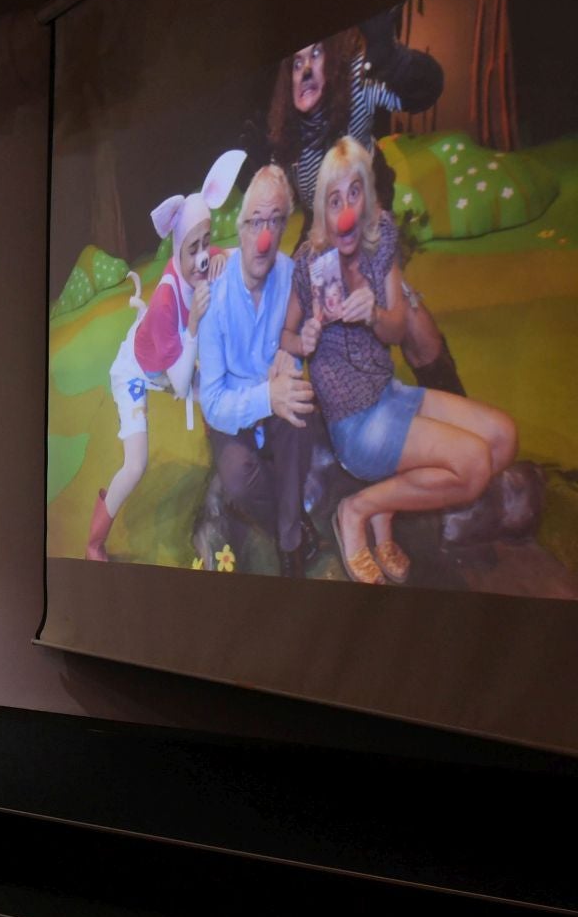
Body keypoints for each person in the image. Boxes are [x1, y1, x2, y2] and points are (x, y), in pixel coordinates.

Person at [280, 138, 516, 585]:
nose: (346, 208)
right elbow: (285, 336)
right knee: (474, 465)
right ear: (323, 210)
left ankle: (384, 506)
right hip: (356, 425)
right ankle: (357, 510)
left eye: (354, 192)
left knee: (503, 439)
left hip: (392, 395)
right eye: (334, 199)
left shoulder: (380, 236)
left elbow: (396, 327)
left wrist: (373, 313)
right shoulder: (309, 263)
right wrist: (303, 339)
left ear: (367, 195)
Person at [266, 17, 462, 394]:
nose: (305, 69)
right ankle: (303, 415)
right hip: (321, 224)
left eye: (316, 54)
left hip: (369, 214)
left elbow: (424, 92)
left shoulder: (356, 85)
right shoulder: (287, 131)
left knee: (406, 313)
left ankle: (451, 404)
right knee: (292, 311)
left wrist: (399, 65)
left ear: (333, 58)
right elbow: (274, 193)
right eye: (297, 62)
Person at [87, 149, 242, 561]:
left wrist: (225, 259)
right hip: (139, 373)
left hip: (169, 357)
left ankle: (230, 471)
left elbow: (234, 259)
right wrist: (194, 322)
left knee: (219, 394)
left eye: (207, 243)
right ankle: (93, 542)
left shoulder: (205, 260)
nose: (203, 255)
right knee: (134, 465)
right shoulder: (164, 302)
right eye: (194, 248)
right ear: (177, 248)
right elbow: (179, 384)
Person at [197, 164, 323, 576]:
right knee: (238, 479)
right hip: (234, 406)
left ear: (285, 226)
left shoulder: (289, 274)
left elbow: (295, 338)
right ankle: (292, 522)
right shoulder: (213, 293)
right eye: (255, 222)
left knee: (301, 414)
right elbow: (212, 402)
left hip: (275, 394)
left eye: (274, 221)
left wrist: (292, 358)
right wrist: (266, 397)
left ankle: (289, 543)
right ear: (241, 228)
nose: (264, 236)